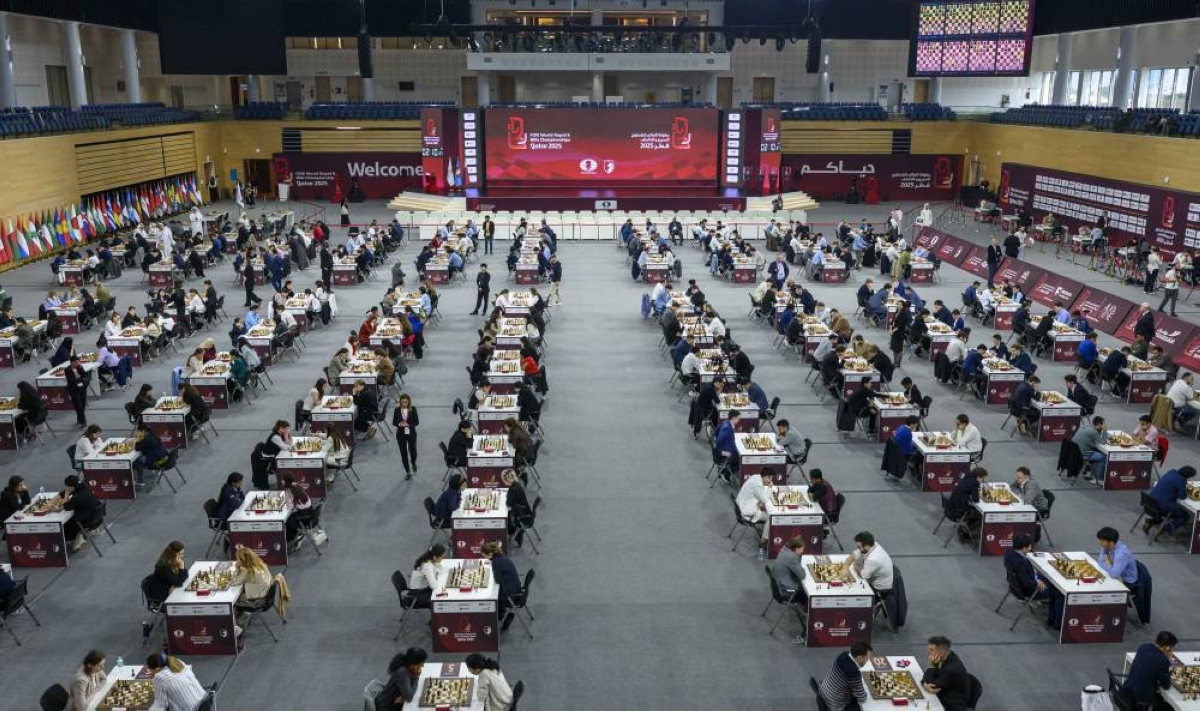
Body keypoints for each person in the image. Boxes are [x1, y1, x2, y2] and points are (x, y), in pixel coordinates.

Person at [1005, 533, 1063, 627]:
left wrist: (1035, 577)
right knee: (1059, 592)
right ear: (1023, 548)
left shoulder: (1009, 553)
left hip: (1015, 586)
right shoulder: (1022, 563)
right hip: (1029, 591)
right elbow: (1028, 584)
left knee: (1044, 577)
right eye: (1029, 546)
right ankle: (1056, 623)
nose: (1031, 548)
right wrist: (1037, 582)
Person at [1121, 631, 1177, 711]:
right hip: (1141, 702)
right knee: (1169, 708)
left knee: (1159, 698)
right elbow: (1166, 685)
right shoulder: (1163, 660)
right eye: (1172, 648)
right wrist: (1166, 658)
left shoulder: (1143, 647)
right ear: (1168, 648)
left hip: (1127, 693)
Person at [480, 541, 523, 629]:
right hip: (516, 587)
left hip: (509, 595)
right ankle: (502, 612)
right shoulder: (502, 556)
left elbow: (497, 581)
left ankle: (502, 613)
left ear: (490, 554)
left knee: (490, 595)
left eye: (484, 555)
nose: (483, 557)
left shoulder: (496, 562)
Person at [921, 636, 971, 711]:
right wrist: (925, 684)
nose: (928, 652)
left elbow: (931, 686)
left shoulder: (951, 669)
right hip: (946, 693)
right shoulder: (950, 655)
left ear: (941, 652)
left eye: (931, 650)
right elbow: (929, 680)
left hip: (952, 705)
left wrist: (932, 666)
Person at [819, 642, 872, 711]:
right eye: (867, 658)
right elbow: (862, 698)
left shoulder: (843, 655)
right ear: (859, 658)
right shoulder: (854, 673)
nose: (868, 660)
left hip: (823, 694)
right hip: (834, 705)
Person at [1146, 465, 1195, 536]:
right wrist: (1184, 488)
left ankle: (1151, 522)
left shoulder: (1171, 472)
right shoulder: (1181, 480)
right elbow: (1182, 496)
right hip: (1161, 506)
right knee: (1184, 516)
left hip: (1150, 502)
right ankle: (1165, 528)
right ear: (1187, 476)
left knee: (1172, 511)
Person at [736, 469, 775, 554]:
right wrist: (770, 488)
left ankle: (765, 532)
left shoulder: (755, 477)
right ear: (765, 477)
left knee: (764, 507)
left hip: (740, 505)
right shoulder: (757, 484)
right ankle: (763, 541)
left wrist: (760, 503)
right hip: (747, 512)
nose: (770, 481)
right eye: (770, 478)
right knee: (772, 518)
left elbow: (760, 496)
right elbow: (765, 499)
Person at [231, 545, 272, 623]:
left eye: (238, 559)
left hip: (257, 602)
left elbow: (234, 582)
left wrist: (237, 569)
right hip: (266, 596)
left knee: (232, 602)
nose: (237, 561)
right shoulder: (260, 563)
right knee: (241, 593)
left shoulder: (248, 571)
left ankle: (239, 623)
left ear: (243, 560)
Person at [61, 475, 102, 552]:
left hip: (88, 522)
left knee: (64, 525)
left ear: (71, 487)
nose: (66, 488)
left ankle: (78, 539)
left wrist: (66, 494)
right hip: (97, 517)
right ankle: (80, 537)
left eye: (67, 486)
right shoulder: (85, 487)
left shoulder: (76, 497)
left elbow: (66, 507)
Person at [1073, 416, 1108, 485]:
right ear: (1099, 425)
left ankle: (1088, 469)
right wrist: (1104, 431)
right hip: (1083, 454)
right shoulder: (1093, 432)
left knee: (1096, 450)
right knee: (1104, 457)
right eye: (1103, 424)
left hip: (1073, 451)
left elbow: (1093, 440)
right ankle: (1096, 478)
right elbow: (1103, 442)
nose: (1104, 425)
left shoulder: (1085, 427)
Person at [772, 537, 807, 602]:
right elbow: (802, 575)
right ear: (796, 548)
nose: (802, 551)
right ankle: (804, 605)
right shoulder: (792, 557)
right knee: (806, 594)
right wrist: (802, 568)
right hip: (784, 589)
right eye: (802, 549)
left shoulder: (783, 550)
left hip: (777, 584)